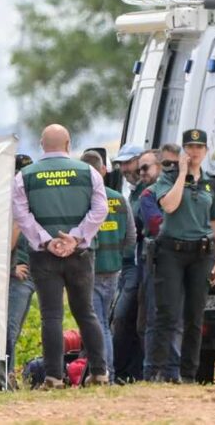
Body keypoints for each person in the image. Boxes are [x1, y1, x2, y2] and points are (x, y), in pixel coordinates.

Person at [12, 124, 110, 389]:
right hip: (79, 254)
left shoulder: (25, 176)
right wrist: (76, 237)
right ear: (68, 144)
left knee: (51, 316)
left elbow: (21, 215)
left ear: (42, 145)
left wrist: (47, 241)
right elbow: (101, 209)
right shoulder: (88, 172)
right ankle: (100, 373)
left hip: (44, 257)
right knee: (86, 312)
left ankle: (54, 377)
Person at [149, 129, 215, 383]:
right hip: (172, 250)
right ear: (183, 150)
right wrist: (182, 174)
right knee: (167, 312)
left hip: (201, 252)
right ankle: (157, 372)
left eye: (199, 147)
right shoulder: (169, 177)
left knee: (195, 316)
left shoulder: (212, 182)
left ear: (205, 151)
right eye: (190, 147)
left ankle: (188, 374)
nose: (194, 152)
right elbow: (169, 205)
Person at [81, 150, 135, 385]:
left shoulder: (82, 199)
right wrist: (117, 256)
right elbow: (131, 237)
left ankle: (105, 373)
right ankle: (106, 373)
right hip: (113, 269)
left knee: (97, 323)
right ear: (103, 170)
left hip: (89, 268)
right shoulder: (119, 198)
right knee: (104, 321)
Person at [140, 144, 183, 382]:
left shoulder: (188, 190)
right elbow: (157, 225)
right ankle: (152, 371)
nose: (171, 169)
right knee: (155, 318)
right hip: (157, 259)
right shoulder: (149, 194)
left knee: (177, 319)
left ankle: (173, 372)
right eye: (166, 164)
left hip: (183, 258)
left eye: (174, 164)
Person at [111, 143, 148, 382]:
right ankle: (127, 371)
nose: (125, 168)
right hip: (125, 264)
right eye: (122, 164)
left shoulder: (146, 191)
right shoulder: (132, 192)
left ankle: (121, 370)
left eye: (129, 162)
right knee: (124, 317)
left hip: (135, 264)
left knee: (123, 316)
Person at [6, 154, 35, 386]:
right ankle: (6, 376)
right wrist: (10, 267)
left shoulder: (29, 201)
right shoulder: (10, 202)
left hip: (30, 273)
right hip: (18, 276)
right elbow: (6, 243)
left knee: (14, 330)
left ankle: (9, 375)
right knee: (10, 330)